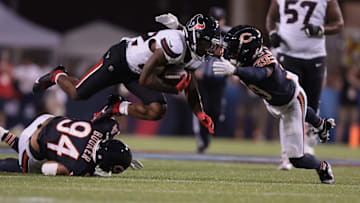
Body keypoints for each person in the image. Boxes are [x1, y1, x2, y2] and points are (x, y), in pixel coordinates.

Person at [33, 13, 220, 135]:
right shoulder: (175, 44)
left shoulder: (194, 55)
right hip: (120, 60)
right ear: (195, 37)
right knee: (77, 93)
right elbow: (146, 80)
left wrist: (199, 112)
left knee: (157, 110)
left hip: (137, 71)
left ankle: (117, 107)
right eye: (206, 43)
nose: (208, 49)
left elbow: (191, 84)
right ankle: (57, 74)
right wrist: (172, 88)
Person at [213, 25, 336, 184]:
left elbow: (260, 74)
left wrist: (236, 71)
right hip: (275, 101)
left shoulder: (264, 60)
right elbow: (211, 48)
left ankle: (323, 166)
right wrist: (182, 30)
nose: (230, 53)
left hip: (292, 100)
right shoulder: (241, 55)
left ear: (246, 51)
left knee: (296, 159)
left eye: (235, 50)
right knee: (297, 114)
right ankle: (321, 124)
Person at [266, 0, 344, 170]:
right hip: (288, 55)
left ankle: (308, 146)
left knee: (311, 106)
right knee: (288, 105)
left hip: (314, 56)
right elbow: (271, 18)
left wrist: (321, 29)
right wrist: (273, 32)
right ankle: (287, 154)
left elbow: (339, 23)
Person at [0, 112, 141, 176]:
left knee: (50, 146)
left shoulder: (106, 127)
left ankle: (4, 134)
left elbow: (102, 116)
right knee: (31, 169)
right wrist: (66, 170)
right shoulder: (80, 167)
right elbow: (46, 169)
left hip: (47, 118)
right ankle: (5, 139)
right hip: (31, 144)